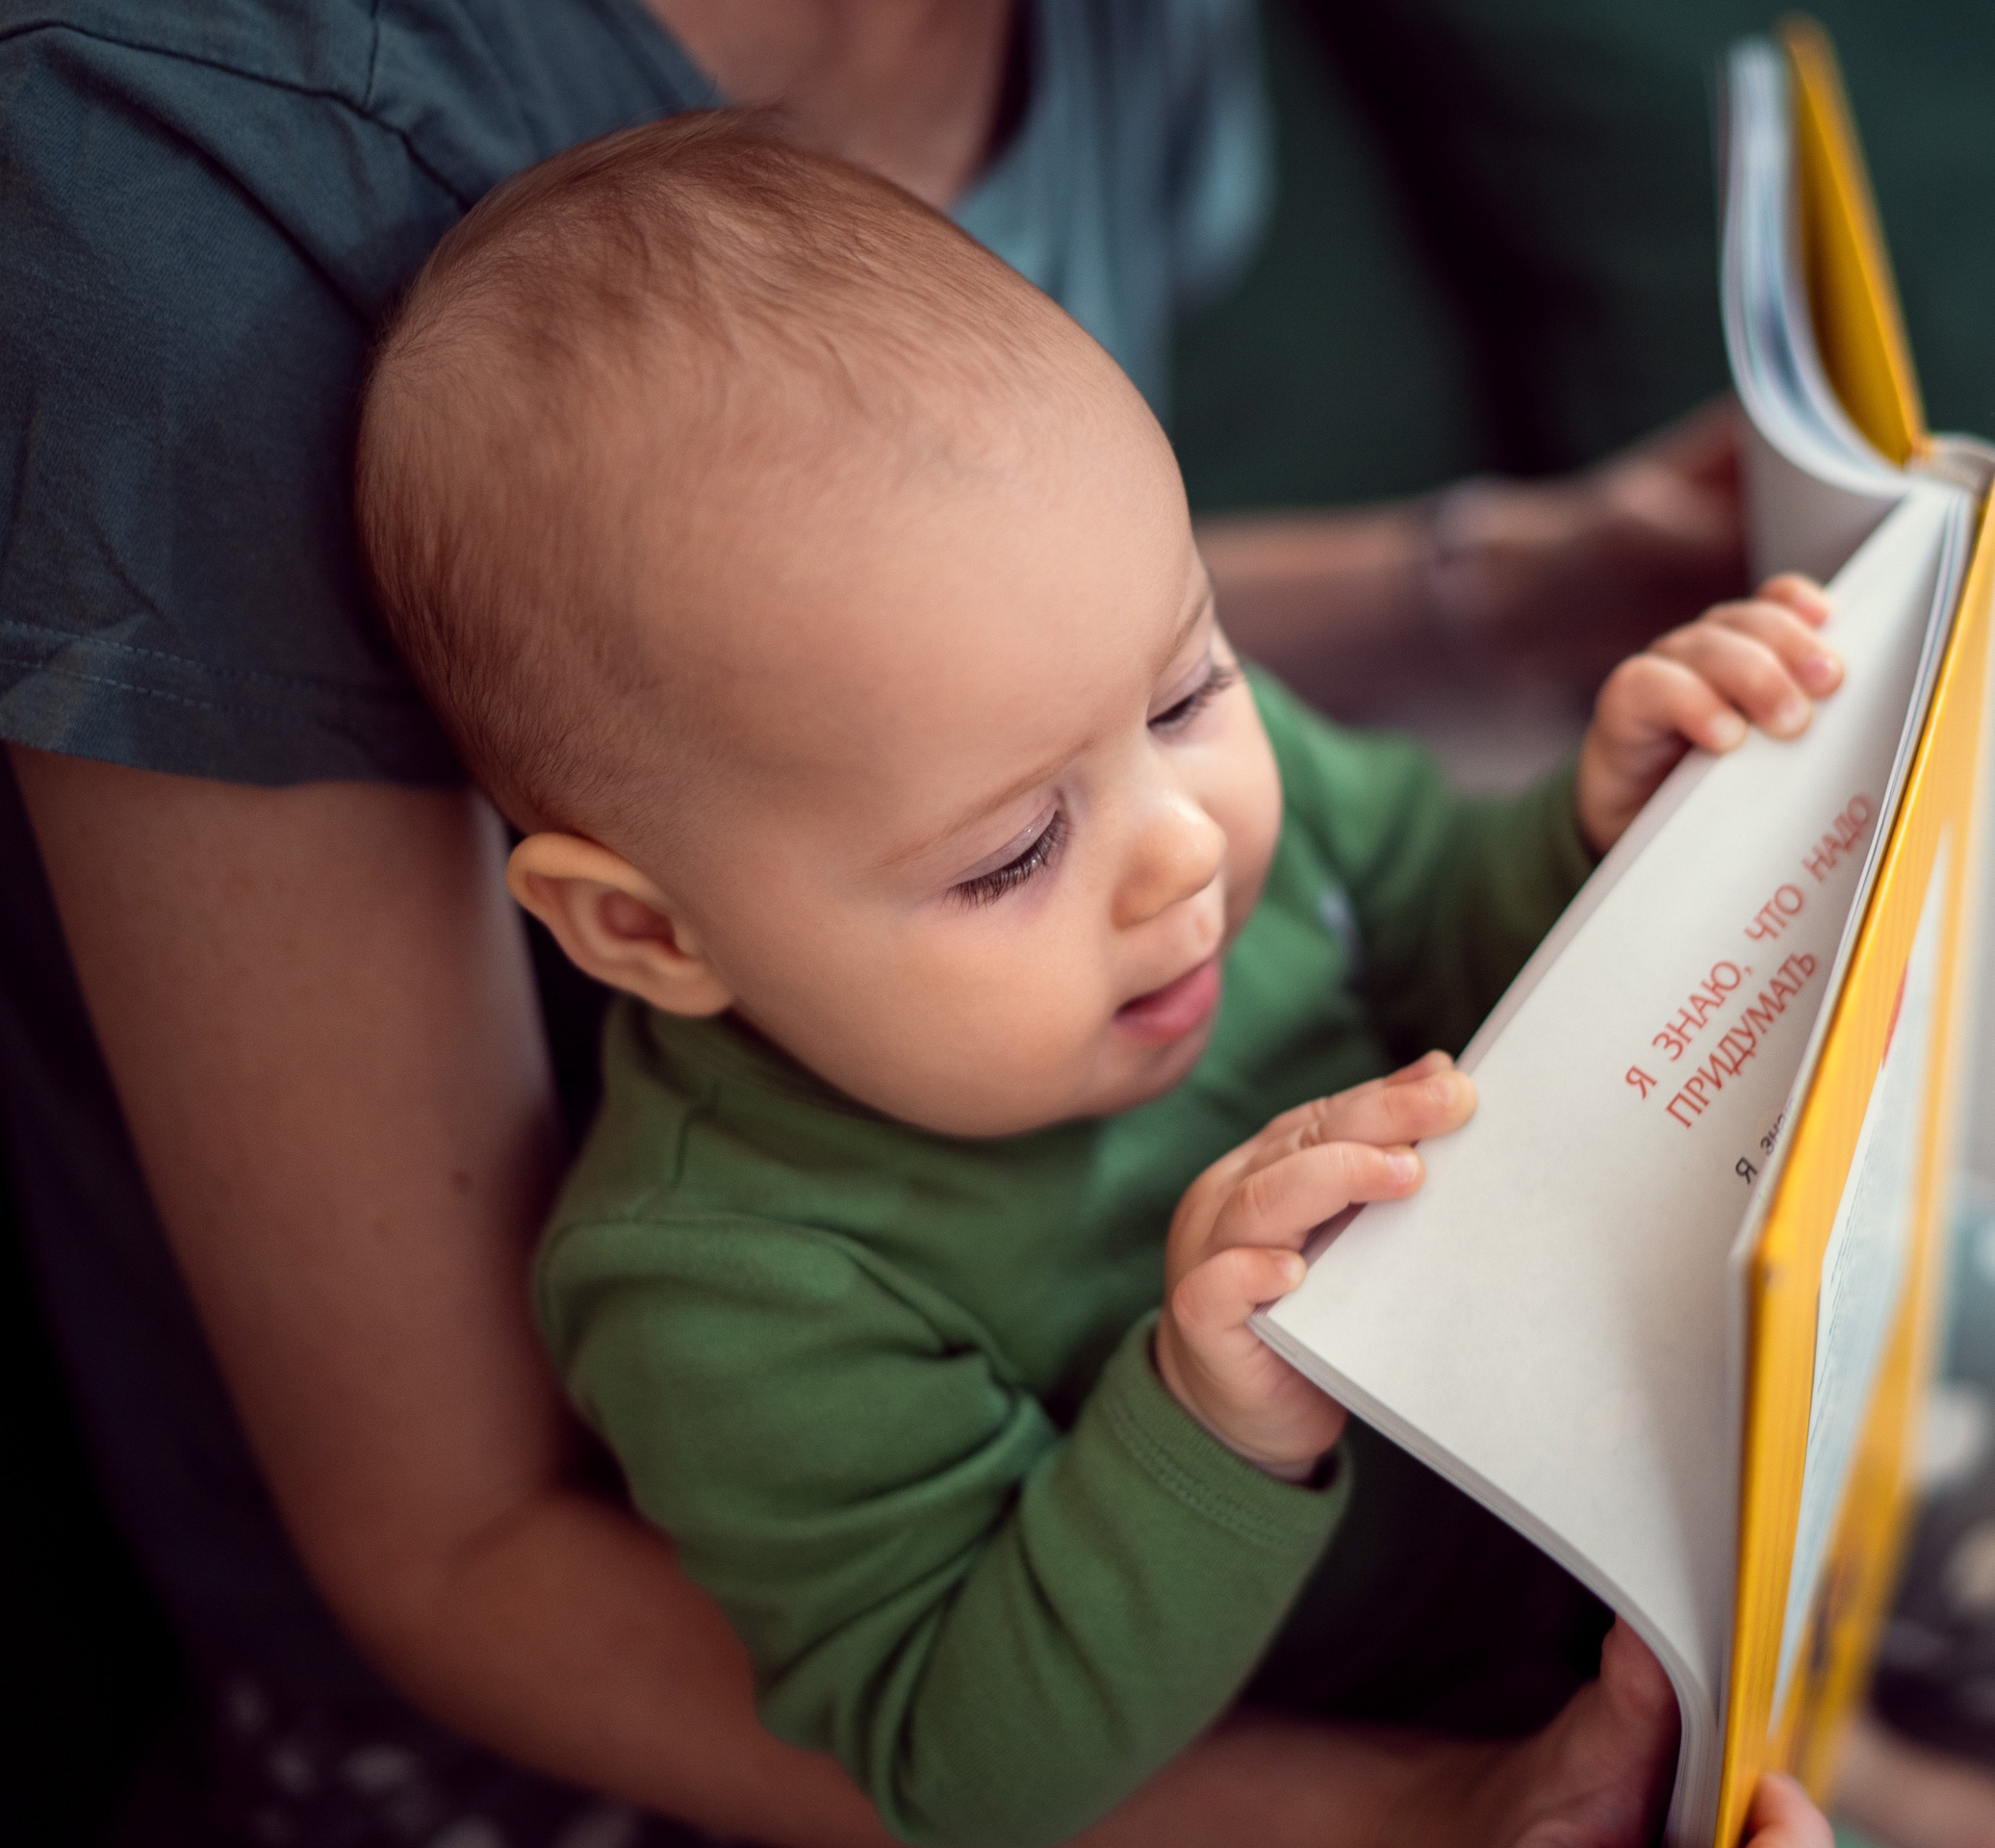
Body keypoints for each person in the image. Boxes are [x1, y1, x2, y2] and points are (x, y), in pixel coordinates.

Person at [0, 1, 1757, 1840]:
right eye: (1010, 861)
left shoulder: (1150, 777)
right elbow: (961, 1766)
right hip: (1263, 1731)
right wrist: (1203, 1424)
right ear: (650, 936)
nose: (1183, 852)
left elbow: (1421, 910)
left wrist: (1602, 840)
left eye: (1187, 694)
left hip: (1545, 1543)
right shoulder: (733, 1293)